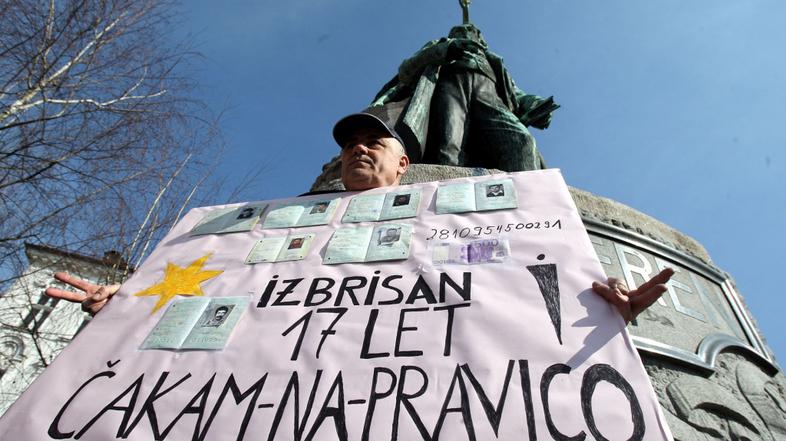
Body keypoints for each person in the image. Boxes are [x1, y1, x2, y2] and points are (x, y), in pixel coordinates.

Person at [46, 111, 674, 323]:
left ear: (405, 165)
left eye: (374, 142)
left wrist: (597, 307)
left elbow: (505, 284)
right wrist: (128, 309)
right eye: (350, 144)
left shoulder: (460, 227)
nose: (358, 149)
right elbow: (230, 292)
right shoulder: (270, 229)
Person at [371, 23, 559, 172]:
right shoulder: (440, 45)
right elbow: (406, 69)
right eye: (458, 31)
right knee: (448, 149)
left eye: (471, 31)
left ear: (481, 39)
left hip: (489, 94)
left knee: (521, 140)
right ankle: (445, 200)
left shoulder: (493, 61)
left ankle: (530, 200)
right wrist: (447, 49)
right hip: (451, 86)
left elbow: (514, 93)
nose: (465, 33)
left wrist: (535, 104)